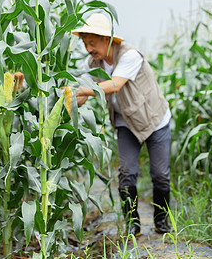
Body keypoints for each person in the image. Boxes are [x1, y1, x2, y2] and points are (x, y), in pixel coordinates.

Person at [72, 13, 171, 236]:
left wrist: (85, 90)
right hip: (126, 123)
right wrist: (64, 98)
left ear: (107, 39)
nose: (88, 48)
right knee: (126, 173)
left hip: (155, 121)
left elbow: (115, 84)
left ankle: (162, 223)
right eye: (85, 43)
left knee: (160, 175)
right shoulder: (94, 63)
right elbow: (82, 92)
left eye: (92, 42)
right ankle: (133, 224)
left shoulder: (130, 55)